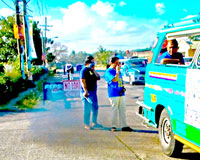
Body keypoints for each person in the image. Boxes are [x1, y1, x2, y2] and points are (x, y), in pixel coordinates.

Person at [104, 56, 133, 132]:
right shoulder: (109, 71)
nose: (118, 65)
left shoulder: (118, 71)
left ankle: (124, 125)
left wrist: (122, 88)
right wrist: (117, 71)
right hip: (113, 93)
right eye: (116, 63)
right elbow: (114, 79)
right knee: (114, 109)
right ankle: (113, 126)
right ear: (111, 63)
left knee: (122, 110)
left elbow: (120, 80)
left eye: (119, 63)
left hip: (120, 93)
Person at [80, 56, 101, 130]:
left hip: (93, 92)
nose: (93, 62)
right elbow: (83, 81)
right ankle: (86, 124)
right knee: (87, 108)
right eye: (92, 61)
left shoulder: (91, 70)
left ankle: (94, 122)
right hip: (87, 93)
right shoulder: (84, 70)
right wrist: (85, 91)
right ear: (88, 62)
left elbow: (98, 77)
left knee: (95, 107)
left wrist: (94, 70)